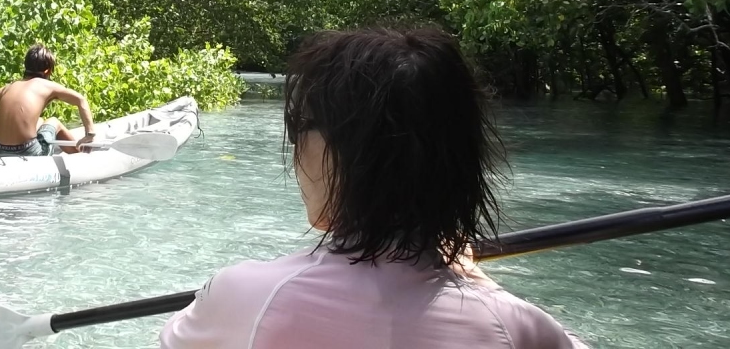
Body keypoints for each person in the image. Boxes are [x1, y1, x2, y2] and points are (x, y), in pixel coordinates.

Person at [160, 26, 590, 349]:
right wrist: (478, 282)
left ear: (343, 150)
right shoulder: (516, 329)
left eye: (298, 127)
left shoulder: (245, 298)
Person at [0, 44, 96, 157]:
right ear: (48, 71)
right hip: (28, 151)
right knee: (53, 121)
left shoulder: (9, 87)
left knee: (40, 121)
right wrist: (89, 134)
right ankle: (80, 157)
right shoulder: (47, 86)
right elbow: (81, 100)